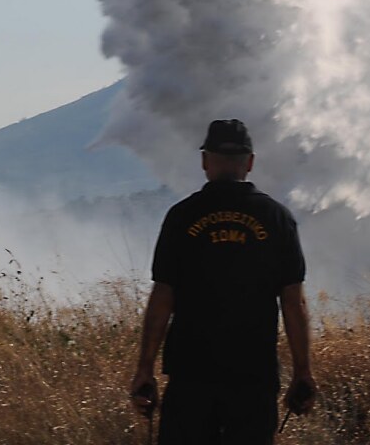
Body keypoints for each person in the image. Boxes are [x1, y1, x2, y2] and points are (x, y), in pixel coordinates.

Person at [129, 119, 317, 444]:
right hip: (253, 376)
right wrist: (303, 371)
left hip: (191, 375)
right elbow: (293, 302)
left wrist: (145, 368)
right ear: (250, 162)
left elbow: (163, 296)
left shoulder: (182, 216)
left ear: (205, 161)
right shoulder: (277, 218)